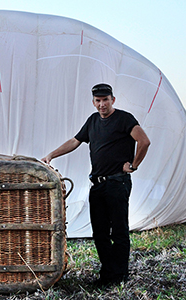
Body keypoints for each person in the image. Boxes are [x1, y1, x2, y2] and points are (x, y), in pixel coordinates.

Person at [42, 83, 150, 287]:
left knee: (118, 230)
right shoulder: (92, 121)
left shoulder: (124, 119)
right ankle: (107, 274)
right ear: (93, 102)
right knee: (99, 232)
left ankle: (120, 276)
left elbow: (144, 141)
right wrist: (51, 155)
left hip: (117, 182)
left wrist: (133, 166)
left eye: (105, 100)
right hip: (97, 185)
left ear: (113, 100)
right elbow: (75, 141)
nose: (102, 105)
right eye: (98, 101)